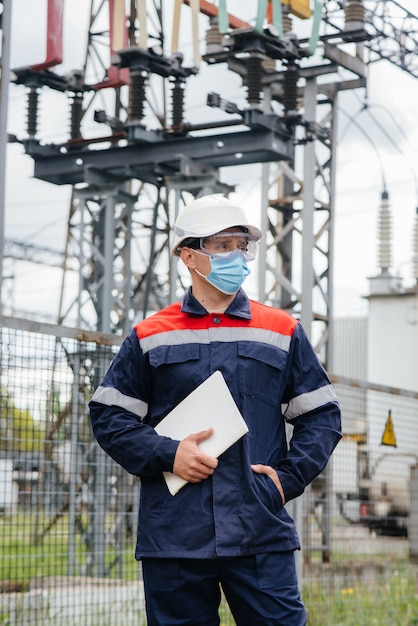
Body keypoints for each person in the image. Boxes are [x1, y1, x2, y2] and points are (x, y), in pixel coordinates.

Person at [89, 194, 342, 626]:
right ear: (189, 255)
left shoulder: (281, 329)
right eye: (223, 245)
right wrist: (169, 454)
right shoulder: (150, 335)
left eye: (242, 246)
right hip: (175, 536)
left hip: (258, 526)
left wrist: (285, 481)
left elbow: (321, 415)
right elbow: (110, 417)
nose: (237, 256)